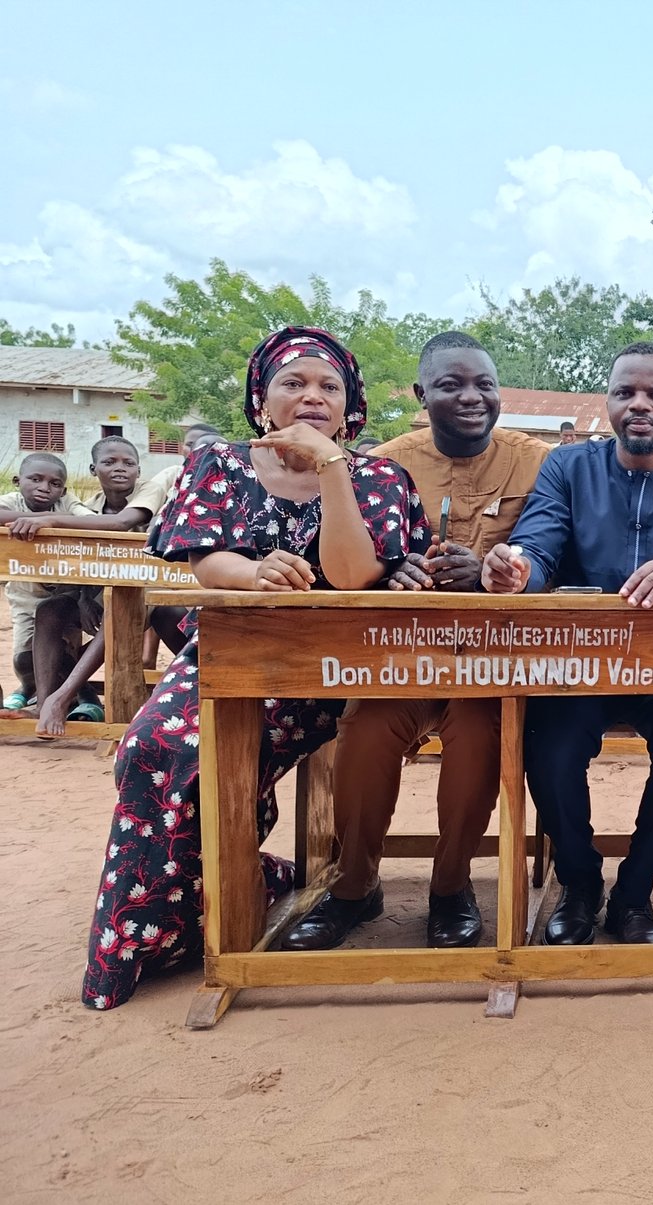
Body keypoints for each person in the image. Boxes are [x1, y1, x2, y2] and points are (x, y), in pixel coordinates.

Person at [81, 326, 431, 1009]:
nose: (311, 397)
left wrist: (331, 467)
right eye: (293, 384)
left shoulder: (379, 477)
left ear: (349, 405)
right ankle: (178, 913)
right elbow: (205, 558)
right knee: (152, 744)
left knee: (211, 756)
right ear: (262, 397)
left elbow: (353, 575)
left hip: (327, 669)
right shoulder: (220, 466)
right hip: (227, 649)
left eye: (329, 386)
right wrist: (255, 570)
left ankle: (204, 901)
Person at [481, 341, 653, 945]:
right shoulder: (568, 468)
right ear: (607, 403)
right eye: (625, 393)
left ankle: (635, 893)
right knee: (551, 748)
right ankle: (579, 884)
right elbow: (539, 540)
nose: (640, 405)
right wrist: (517, 567)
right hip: (581, 662)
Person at [284, 332, 549, 952]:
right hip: (402, 653)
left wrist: (488, 571)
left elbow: (553, 548)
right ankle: (354, 886)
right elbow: (349, 559)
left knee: (480, 735)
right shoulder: (382, 464)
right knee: (366, 732)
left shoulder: (539, 460)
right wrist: (394, 565)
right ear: (420, 394)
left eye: (484, 384)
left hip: (492, 658)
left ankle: (452, 887)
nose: (471, 397)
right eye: (452, 384)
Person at [25, 436, 178, 730]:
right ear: (94, 469)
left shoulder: (151, 490)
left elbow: (121, 524)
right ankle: (44, 703)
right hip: (106, 592)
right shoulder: (91, 506)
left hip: (155, 590)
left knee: (117, 607)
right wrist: (82, 598)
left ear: (138, 470)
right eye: (110, 462)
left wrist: (53, 520)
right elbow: (90, 561)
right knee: (51, 609)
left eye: (128, 463)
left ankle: (64, 695)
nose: (120, 468)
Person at [0, 452, 98, 709]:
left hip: (67, 595)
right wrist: (45, 522)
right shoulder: (10, 502)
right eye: (35, 479)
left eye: (54, 484)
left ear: (63, 490)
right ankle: (28, 689)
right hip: (25, 595)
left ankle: (79, 697)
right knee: (24, 659)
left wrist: (49, 520)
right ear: (16, 480)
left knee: (63, 655)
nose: (44, 488)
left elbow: (91, 521)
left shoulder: (67, 504)